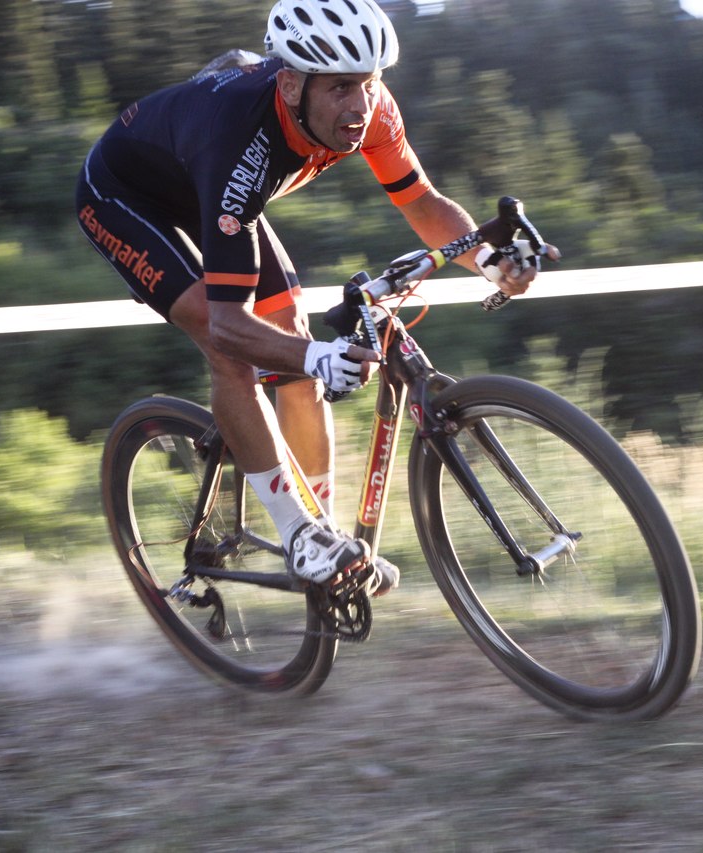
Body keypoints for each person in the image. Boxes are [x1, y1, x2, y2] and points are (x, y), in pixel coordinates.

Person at [76, 0, 546, 595]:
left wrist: (489, 260)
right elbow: (227, 326)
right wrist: (318, 359)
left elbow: (422, 203)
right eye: (342, 88)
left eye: (370, 84)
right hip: (124, 198)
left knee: (291, 339)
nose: (360, 105)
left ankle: (323, 532)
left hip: (215, 195)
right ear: (292, 83)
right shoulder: (239, 142)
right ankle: (299, 534)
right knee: (236, 350)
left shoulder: (371, 111)